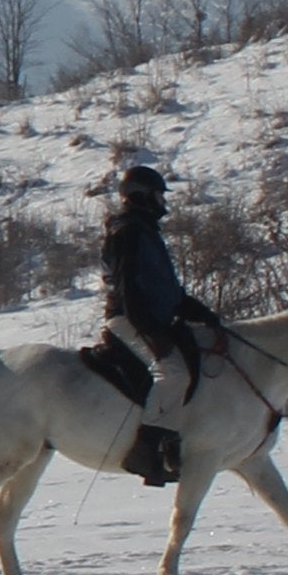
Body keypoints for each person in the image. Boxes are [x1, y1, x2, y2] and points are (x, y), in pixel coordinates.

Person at [97, 165, 220, 486]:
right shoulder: (128, 232)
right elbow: (131, 291)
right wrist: (153, 333)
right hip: (130, 318)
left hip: (153, 316)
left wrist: (203, 314)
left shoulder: (145, 231)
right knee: (173, 372)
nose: (162, 202)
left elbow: (165, 289)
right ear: (141, 196)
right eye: (157, 195)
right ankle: (146, 449)